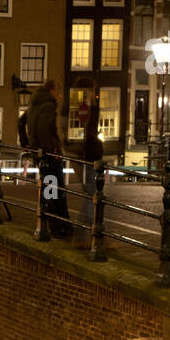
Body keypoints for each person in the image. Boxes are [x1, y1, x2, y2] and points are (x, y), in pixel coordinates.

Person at [25, 79, 72, 237]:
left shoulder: (34, 104)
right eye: (57, 92)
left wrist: (26, 143)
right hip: (49, 154)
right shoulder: (49, 105)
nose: (58, 95)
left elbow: (20, 123)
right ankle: (59, 226)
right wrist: (51, 149)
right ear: (51, 90)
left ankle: (54, 223)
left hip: (38, 153)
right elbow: (44, 129)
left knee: (49, 188)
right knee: (56, 189)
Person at [70, 89, 104, 247]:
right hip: (91, 162)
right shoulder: (90, 131)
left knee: (90, 199)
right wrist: (94, 105)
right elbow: (92, 123)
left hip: (89, 161)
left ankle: (81, 236)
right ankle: (94, 238)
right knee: (92, 199)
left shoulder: (89, 130)